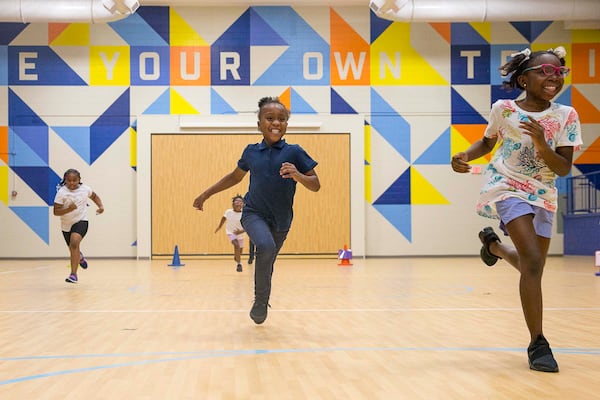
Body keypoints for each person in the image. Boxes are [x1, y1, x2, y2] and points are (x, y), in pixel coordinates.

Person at [451, 46, 582, 373]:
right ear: (524, 79)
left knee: (530, 266)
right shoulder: (504, 109)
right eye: (544, 71)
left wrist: (541, 143)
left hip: (544, 192)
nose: (553, 78)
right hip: (506, 184)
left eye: (559, 72)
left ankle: (493, 246)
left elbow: (564, 167)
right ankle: (538, 343)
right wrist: (466, 155)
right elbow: (488, 141)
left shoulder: (566, 116)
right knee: (534, 263)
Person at [193, 96, 320, 324]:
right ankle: (261, 300)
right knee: (265, 246)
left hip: (282, 220)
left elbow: (316, 185)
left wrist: (298, 175)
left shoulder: (295, 152)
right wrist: (206, 193)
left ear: (286, 125)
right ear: (259, 123)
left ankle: (263, 298)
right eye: (270, 118)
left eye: (281, 119)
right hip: (253, 213)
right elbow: (234, 177)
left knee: (267, 258)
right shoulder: (251, 152)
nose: (276, 123)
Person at [53, 168, 104, 284]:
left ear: (79, 180)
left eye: (74, 180)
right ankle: (79, 257)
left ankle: (73, 275)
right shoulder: (61, 192)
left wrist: (100, 206)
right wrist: (68, 209)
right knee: (72, 248)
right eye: (69, 180)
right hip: (66, 224)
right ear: (65, 180)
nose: (71, 183)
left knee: (74, 243)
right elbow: (56, 212)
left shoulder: (85, 189)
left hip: (81, 221)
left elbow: (94, 196)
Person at [215, 194, 246, 272]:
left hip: (241, 233)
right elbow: (223, 218)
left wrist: (241, 231)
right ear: (233, 204)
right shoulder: (228, 212)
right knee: (236, 245)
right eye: (237, 201)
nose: (238, 203)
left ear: (243, 204)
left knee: (240, 251)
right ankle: (239, 264)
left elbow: (248, 226)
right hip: (231, 232)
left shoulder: (245, 214)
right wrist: (219, 226)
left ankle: (237, 257)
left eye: (240, 201)